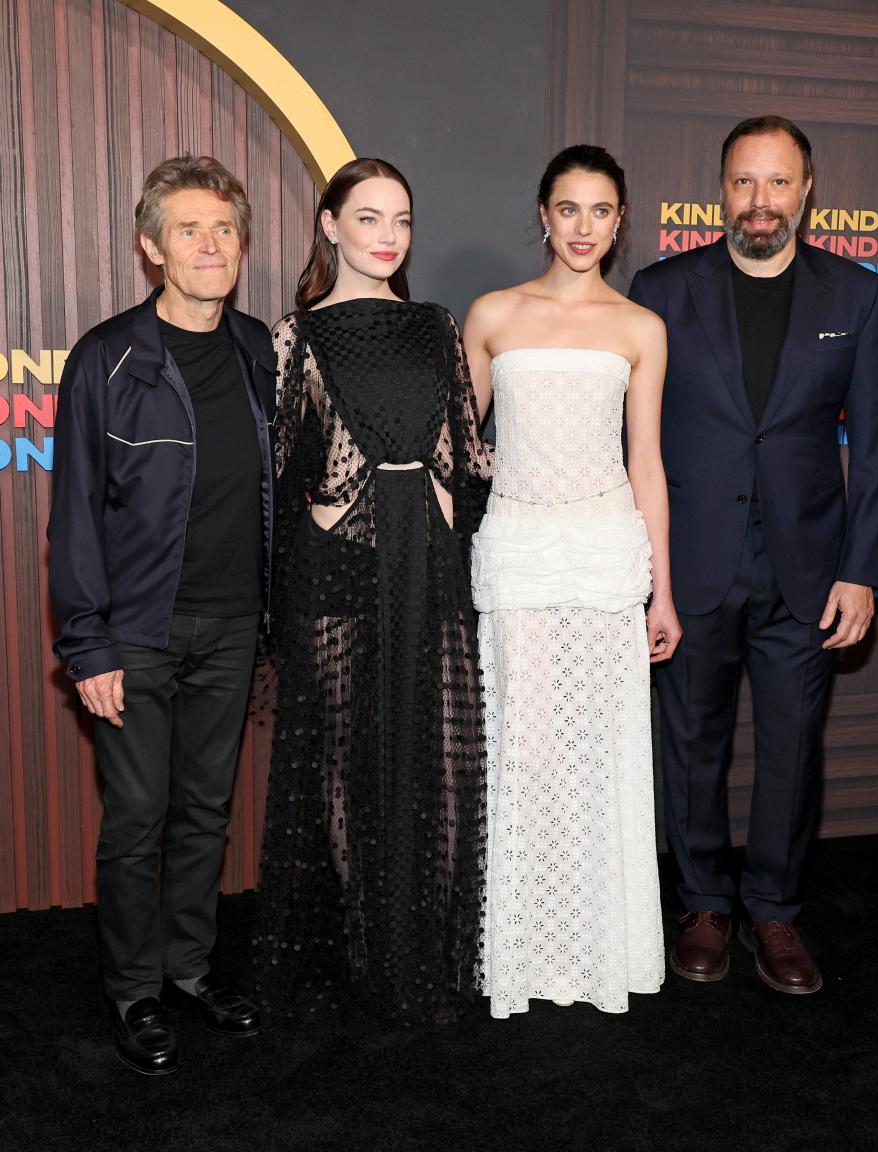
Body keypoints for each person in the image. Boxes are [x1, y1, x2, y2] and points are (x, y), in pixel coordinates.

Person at [629, 116, 878, 994]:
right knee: (693, 744)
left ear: (807, 191)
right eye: (744, 183)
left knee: (791, 749)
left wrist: (862, 569)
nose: (760, 202)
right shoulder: (663, 288)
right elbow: (632, 440)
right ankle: (704, 902)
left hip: (808, 571)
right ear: (721, 189)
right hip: (693, 562)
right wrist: (643, 568)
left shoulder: (856, 295)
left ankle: (775, 912)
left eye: (778, 183)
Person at [48, 156, 276, 1074]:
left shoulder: (261, 348)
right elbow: (73, 519)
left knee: (204, 812)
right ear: (151, 248)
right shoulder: (107, 358)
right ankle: (135, 991)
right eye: (189, 229)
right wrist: (87, 643)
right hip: (135, 635)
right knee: (137, 816)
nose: (210, 244)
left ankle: (189, 970)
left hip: (233, 628)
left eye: (223, 228)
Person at [253, 158, 493, 1025]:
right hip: (340, 562)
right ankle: (363, 957)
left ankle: (422, 949)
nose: (387, 237)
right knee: (345, 760)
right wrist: (327, 510)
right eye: (368, 219)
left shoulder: (437, 325)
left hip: (426, 557)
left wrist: (437, 488)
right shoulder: (296, 335)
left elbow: (470, 451)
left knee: (436, 751)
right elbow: (278, 473)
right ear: (329, 225)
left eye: (400, 221)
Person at [465, 144, 678, 1018]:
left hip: (603, 554)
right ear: (543, 214)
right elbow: (459, 450)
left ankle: (599, 951)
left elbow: (650, 464)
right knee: (523, 754)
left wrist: (662, 589)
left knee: (598, 757)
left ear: (619, 220)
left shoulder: (639, 328)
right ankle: (520, 952)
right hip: (516, 546)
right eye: (568, 208)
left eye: (601, 211)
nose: (583, 227)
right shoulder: (491, 315)